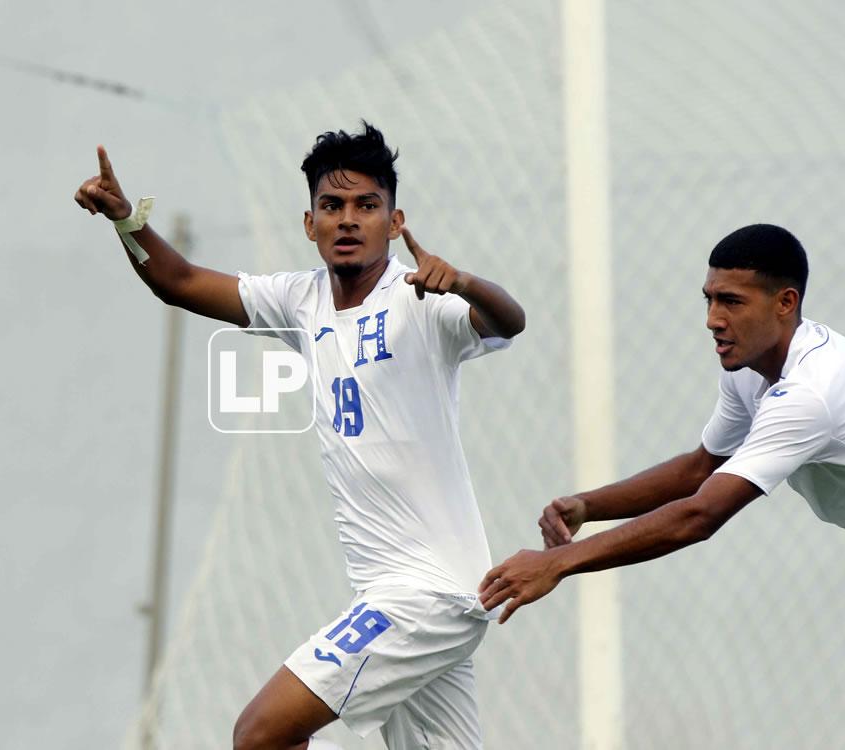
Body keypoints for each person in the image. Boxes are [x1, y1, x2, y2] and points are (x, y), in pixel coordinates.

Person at [75, 122, 525, 750]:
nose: (348, 220)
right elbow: (177, 282)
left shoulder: (421, 296)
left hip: (420, 597)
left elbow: (510, 320)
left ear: (395, 222)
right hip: (421, 597)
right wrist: (126, 220)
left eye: (367, 206)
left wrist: (468, 283)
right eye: (331, 206)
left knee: (260, 734)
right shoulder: (300, 299)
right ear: (308, 223)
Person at [478, 224, 845, 748]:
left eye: (731, 302)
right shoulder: (751, 368)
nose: (712, 320)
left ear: (785, 302)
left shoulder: (812, 392)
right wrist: (589, 504)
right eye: (708, 300)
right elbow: (701, 468)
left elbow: (700, 516)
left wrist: (558, 563)